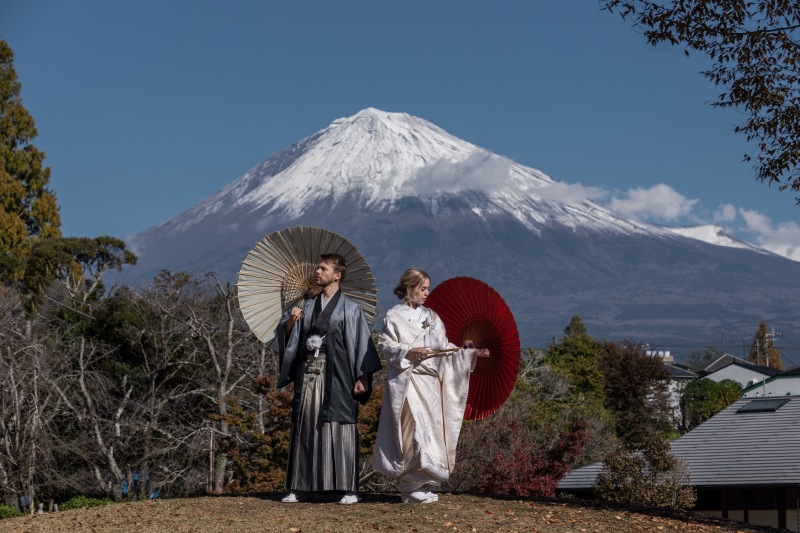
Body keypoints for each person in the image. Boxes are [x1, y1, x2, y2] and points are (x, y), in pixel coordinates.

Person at [371, 268, 489, 504]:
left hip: (430, 384)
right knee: (416, 432)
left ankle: (416, 485)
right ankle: (410, 485)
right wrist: (409, 350)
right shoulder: (394, 316)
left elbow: (444, 347)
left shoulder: (433, 317)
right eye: (423, 288)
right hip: (409, 380)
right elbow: (385, 345)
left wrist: (469, 352)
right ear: (409, 288)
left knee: (431, 434)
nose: (427, 293)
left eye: (427, 288)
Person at [276, 253, 382, 505]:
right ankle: (298, 487)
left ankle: (348, 488)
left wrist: (363, 376)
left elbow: (361, 344)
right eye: (317, 268)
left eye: (323, 269)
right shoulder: (307, 305)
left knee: (341, 425)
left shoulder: (350, 307)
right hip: (309, 371)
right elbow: (288, 337)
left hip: (339, 375)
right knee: (304, 425)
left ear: (337, 275)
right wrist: (291, 321)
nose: (317, 272)